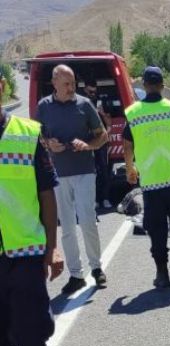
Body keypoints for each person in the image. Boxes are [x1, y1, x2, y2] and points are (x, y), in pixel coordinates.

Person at [0, 75, 64, 346]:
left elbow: (46, 194)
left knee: (29, 340)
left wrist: (52, 247)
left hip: (24, 256)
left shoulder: (26, 134)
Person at [37, 64, 108, 295]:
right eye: (66, 84)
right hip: (58, 175)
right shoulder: (44, 107)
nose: (71, 88)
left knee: (87, 220)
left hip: (85, 171)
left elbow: (103, 136)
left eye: (73, 84)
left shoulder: (84, 104)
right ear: (54, 83)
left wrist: (88, 145)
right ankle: (76, 274)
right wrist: (48, 144)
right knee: (66, 226)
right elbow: (37, 136)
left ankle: (96, 268)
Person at [123, 66, 170, 289]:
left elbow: (128, 144)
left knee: (156, 227)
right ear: (161, 85)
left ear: (145, 86)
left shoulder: (133, 113)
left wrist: (130, 168)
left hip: (150, 180)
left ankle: (162, 272)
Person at [84, 80, 113, 210]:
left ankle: (105, 198)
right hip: (87, 141)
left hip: (101, 141)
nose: (93, 94)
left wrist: (101, 113)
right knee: (91, 172)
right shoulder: (81, 104)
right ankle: (94, 199)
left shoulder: (101, 103)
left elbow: (109, 123)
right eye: (90, 92)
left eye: (95, 92)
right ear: (85, 90)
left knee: (104, 170)